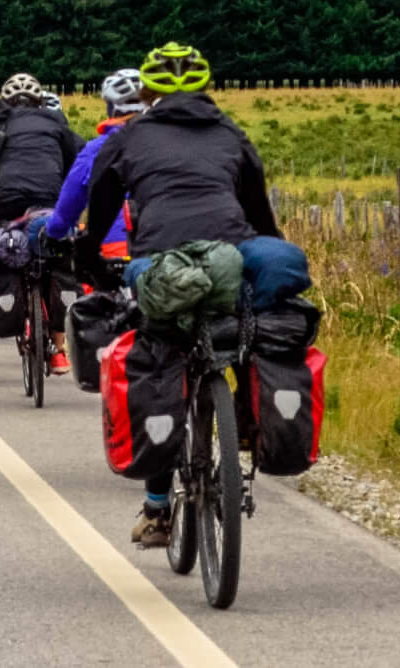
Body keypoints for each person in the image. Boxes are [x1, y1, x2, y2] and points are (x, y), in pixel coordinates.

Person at [75, 43, 298, 549]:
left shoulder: (128, 139)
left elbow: (101, 205)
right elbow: (260, 215)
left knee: (159, 356)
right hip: (229, 256)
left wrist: (89, 260)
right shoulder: (231, 135)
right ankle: (245, 419)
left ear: (149, 91)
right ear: (204, 86)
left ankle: (157, 510)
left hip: (160, 263)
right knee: (246, 330)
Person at [0, 73, 83, 369]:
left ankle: (11, 310)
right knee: (59, 257)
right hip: (51, 199)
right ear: (39, 101)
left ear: (4, 100)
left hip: (7, 199)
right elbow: (75, 163)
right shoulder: (57, 124)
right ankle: (58, 350)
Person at [42, 67, 145, 265]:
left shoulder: (97, 149)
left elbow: (69, 205)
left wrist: (53, 233)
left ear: (110, 109)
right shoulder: (175, 143)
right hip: (174, 244)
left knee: (95, 287)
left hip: (115, 244)